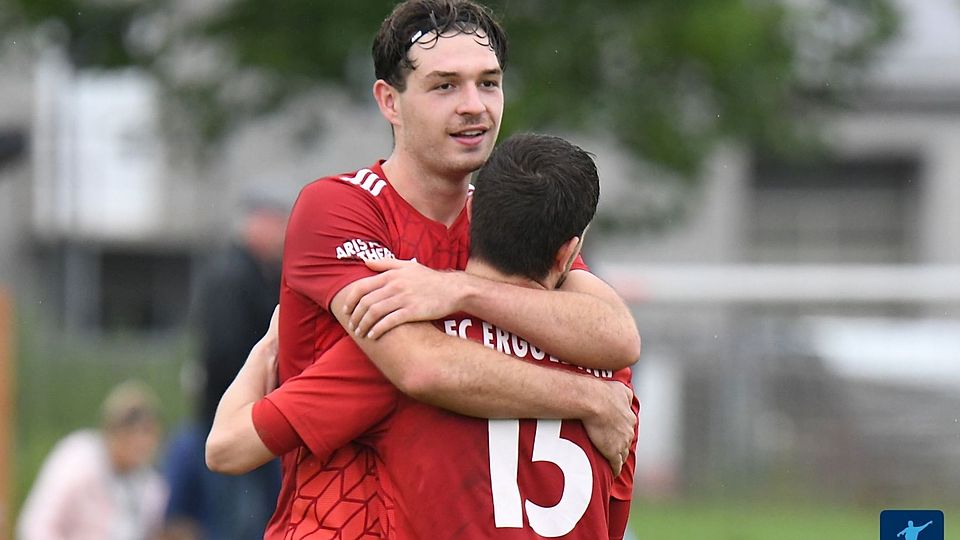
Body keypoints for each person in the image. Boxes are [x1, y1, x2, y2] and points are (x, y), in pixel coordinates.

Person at [207, 1, 641, 537]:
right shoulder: (338, 208)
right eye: (444, 86)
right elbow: (418, 366)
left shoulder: (505, 222)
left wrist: (457, 290)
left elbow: (617, 334)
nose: (473, 106)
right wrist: (592, 397)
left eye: (488, 83)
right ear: (389, 101)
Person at [162, 193, 286, 539]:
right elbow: (224, 354)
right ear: (257, 223)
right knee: (239, 522)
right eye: (277, 223)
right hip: (236, 419)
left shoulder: (258, 274)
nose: (281, 234)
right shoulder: (232, 276)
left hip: (255, 418)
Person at [17, 380, 168, 540]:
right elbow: (37, 525)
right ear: (112, 428)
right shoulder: (78, 461)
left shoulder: (151, 485)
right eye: (134, 430)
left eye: (147, 432)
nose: (141, 441)